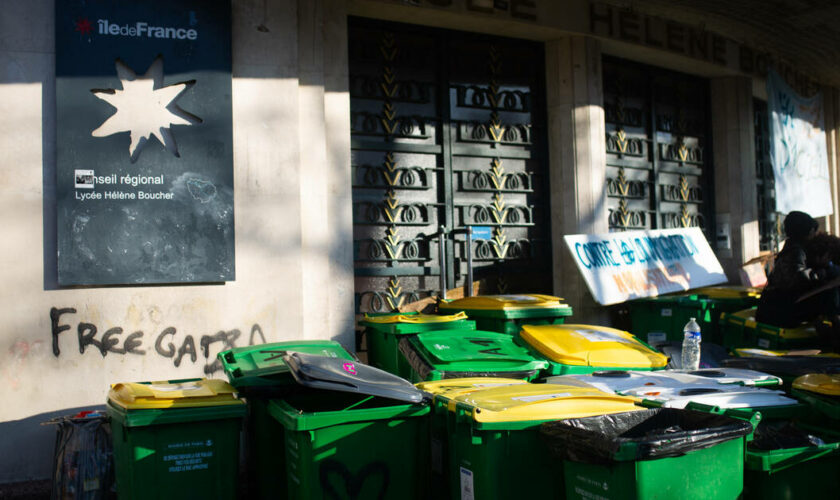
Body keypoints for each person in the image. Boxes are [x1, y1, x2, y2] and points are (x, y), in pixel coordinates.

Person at [756, 211, 840, 351]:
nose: (814, 234)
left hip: (775, 309)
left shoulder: (794, 249)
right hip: (778, 312)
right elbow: (800, 278)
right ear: (807, 231)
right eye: (813, 231)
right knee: (828, 294)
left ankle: (829, 335)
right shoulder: (796, 252)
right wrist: (825, 273)